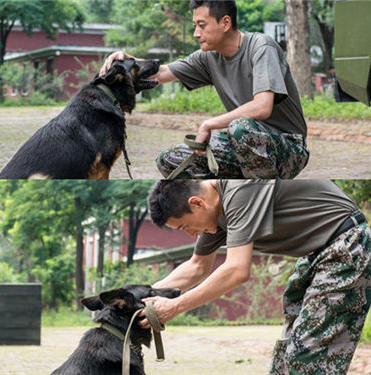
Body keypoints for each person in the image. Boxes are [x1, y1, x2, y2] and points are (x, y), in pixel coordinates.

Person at [141, 180, 370, 374]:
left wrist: (176, 306)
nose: (191, 234)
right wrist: (142, 298)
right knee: (284, 357)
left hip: (347, 245)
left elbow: (237, 270)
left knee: (307, 358)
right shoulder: (214, 213)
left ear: (197, 203)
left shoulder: (239, 190)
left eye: (185, 226)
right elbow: (197, 266)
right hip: (315, 255)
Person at [100, 0, 309, 179]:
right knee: (169, 160)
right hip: (243, 143)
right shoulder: (208, 57)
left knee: (239, 128)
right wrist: (127, 61)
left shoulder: (262, 47)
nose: (196, 33)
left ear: (225, 23)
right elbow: (160, 73)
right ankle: (225, 197)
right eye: (194, 26)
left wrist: (209, 124)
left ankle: (264, 198)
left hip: (288, 148)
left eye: (202, 26)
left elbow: (262, 107)